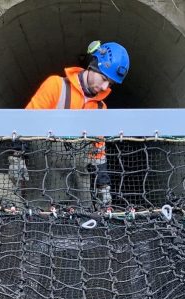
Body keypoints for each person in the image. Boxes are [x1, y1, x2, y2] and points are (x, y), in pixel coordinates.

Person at [20, 41, 130, 208]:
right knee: (40, 223)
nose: (104, 87)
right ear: (93, 66)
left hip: (79, 184)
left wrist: (103, 185)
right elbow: (26, 123)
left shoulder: (101, 108)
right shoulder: (56, 86)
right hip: (45, 179)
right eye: (104, 79)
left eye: (110, 84)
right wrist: (16, 155)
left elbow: (98, 150)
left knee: (84, 223)